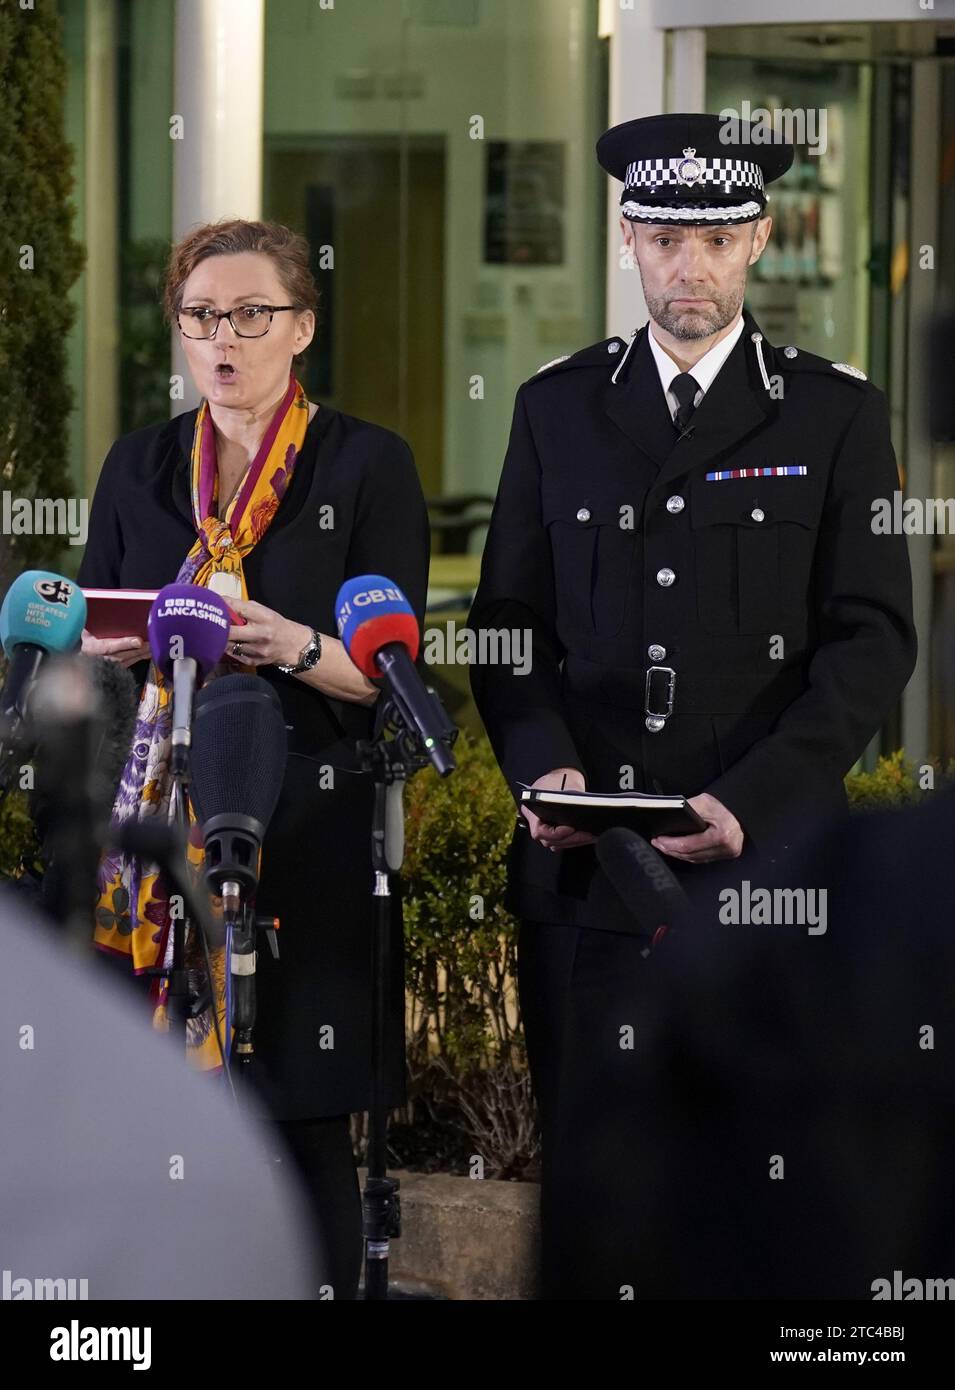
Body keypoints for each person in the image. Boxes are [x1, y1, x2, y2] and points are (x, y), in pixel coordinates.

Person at [467, 113, 917, 1297]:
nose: (689, 266)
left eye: (715, 239)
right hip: (589, 873)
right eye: (664, 237)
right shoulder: (555, 406)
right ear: (627, 242)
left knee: (765, 1198)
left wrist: (752, 803)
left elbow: (869, 644)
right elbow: (509, 630)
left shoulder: (830, 415)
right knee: (595, 1186)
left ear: (758, 241)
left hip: (761, 870)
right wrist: (542, 766)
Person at [77, 218, 430, 1299]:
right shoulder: (138, 464)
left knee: (300, 1127)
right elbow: (90, 637)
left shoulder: (367, 463)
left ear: (301, 328)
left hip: (306, 833)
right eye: (198, 318)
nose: (221, 339)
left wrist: (291, 643)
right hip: (150, 841)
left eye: (249, 315)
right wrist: (124, 647)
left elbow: (393, 668)